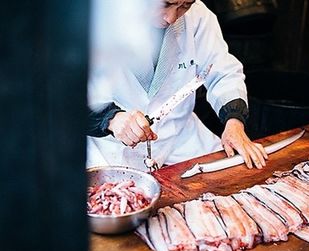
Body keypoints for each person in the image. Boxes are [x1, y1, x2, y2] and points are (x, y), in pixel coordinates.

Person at [87, 0, 268, 171]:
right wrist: (110, 119)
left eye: (185, 5)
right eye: (166, 4)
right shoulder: (92, 17)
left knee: (232, 172)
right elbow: (64, 96)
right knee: (113, 197)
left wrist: (234, 122)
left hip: (179, 133)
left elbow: (222, 72)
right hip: (110, 144)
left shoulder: (198, 17)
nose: (172, 17)